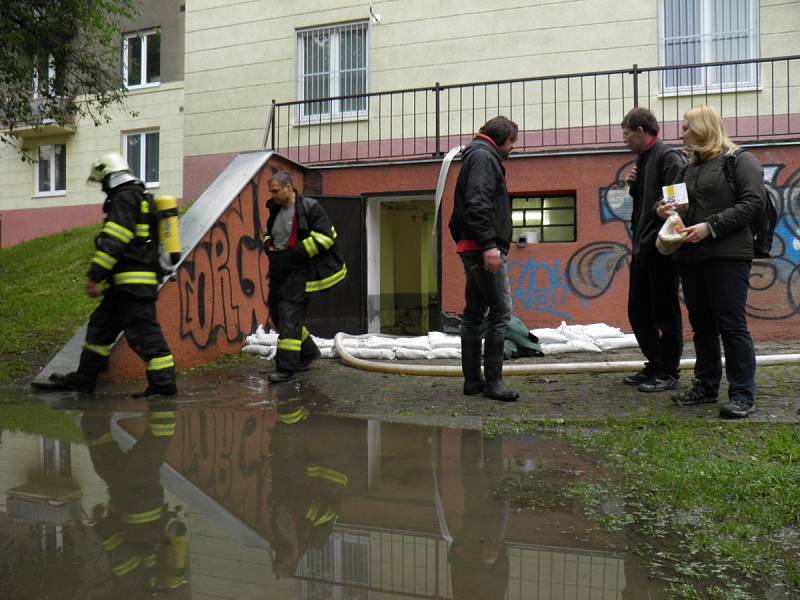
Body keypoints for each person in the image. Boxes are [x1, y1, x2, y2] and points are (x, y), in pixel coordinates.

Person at [656, 105, 762, 418]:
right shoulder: (687, 168)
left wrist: (710, 226)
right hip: (690, 255)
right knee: (702, 326)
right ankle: (705, 387)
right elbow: (675, 207)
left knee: (731, 324)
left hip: (727, 255)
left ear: (703, 127)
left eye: (686, 127)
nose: (681, 133)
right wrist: (664, 211)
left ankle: (742, 394)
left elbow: (753, 202)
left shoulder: (740, 160)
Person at [44, 153, 177, 397]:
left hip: (133, 283)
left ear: (109, 177)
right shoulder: (138, 197)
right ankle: (84, 379)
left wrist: (95, 275)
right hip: (124, 285)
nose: (102, 188)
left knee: (145, 335)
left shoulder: (125, 198)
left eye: (102, 181)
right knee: (100, 329)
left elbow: (116, 239)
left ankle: (163, 385)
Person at [449, 116, 519, 402]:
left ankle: (472, 382)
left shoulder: (477, 156)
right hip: (482, 248)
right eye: (512, 142)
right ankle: (493, 382)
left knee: (474, 314)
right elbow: (479, 201)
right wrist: (490, 245)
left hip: (471, 245)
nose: (513, 148)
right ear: (501, 139)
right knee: (500, 313)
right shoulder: (484, 157)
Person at [621, 108, 687, 393]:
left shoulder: (669, 157)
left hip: (661, 249)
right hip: (642, 247)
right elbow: (646, 206)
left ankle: (668, 371)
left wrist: (663, 209)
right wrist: (634, 188)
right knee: (638, 310)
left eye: (626, 133)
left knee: (665, 311)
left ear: (640, 131)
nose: (623, 139)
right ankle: (656, 361)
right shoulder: (644, 159)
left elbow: (677, 203)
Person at [262, 171, 347, 383]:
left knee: (289, 315)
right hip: (279, 270)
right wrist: (267, 244)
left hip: (300, 271)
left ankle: (286, 368)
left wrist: (298, 253)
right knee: (278, 316)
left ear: (289, 188)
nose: (272, 195)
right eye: (270, 191)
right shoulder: (275, 210)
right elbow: (270, 234)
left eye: (276, 191)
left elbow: (326, 237)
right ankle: (308, 352)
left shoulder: (309, 207)